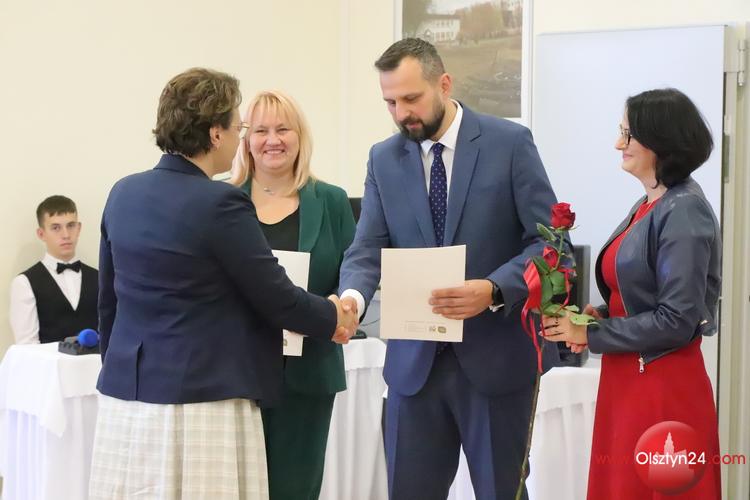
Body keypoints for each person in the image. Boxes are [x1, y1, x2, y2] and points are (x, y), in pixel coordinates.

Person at [89, 68, 356, 500]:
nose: (239, 138)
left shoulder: (123, 192)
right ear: (215, 134)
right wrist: (333, 316)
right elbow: (275, 296)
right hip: (203, 396)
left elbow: (108, 301)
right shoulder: (220, 201)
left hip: (128, 396)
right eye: (238, 127)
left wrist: (118, 365)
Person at [338, 38, 561, 500]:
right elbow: (367, 247)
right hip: (414, 370)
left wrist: (494, 288)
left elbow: (551, 244)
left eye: (411, 98)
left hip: (496, 362)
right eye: (390, 103)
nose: (402, 113)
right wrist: (352, 300)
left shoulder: (509, 144)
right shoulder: (383, 158)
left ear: (444, 84)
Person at [542, 88, 721, 499]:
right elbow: (645, 294)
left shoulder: (684, 209)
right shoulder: (651, 203)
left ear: (660, 140)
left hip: (662, 386)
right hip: (630, 377)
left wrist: (592, 334)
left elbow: (677, 320)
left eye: (627, 133)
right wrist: (601, 316)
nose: (617, 143)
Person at [228, 90, 356, 500]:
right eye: (260, 130)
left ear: (300, 136)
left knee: (295, 490)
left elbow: (352, 270)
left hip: (308, 374)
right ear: (246, 139)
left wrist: (342, 307)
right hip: (234, 374)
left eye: (283, 129)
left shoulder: (332, 201)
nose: (273, 140)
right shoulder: (222, 200)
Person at [9, 195, 98, 344]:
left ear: (79, 228)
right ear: (41, 234)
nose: (66, 235)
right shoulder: (25, 283)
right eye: (56, 228)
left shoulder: (100, 278)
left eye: (71, 225)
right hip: (47, 360)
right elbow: (27, 346)